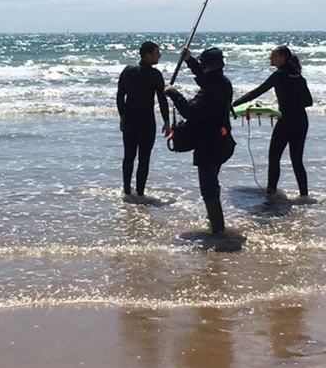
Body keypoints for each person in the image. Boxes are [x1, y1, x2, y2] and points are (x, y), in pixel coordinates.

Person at [165, 47, 235, 234]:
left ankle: (218, 231)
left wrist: (174, 93)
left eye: (203, 64)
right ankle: (215, 222)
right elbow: (205, 77)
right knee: (212, 182)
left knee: (208, 189)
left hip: (210, 145)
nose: (202, 68)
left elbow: (190, 112)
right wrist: (189, 60)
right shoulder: (223, 82)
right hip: (223, 141)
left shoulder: (210, 90)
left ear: (209, 65)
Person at [231, 45, 313, 197]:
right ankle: (304, 195)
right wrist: (291, 103)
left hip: (286, 121)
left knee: (274, 157)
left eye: (273, 56)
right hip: (301, 121)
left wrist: (233, 105)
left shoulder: (279, 75)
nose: (270, 58)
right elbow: (309, 102)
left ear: (283, 57)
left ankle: (271, 193)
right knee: (297, 161)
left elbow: (257, 91)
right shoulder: (300, 77)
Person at [116, 41, 171, 199]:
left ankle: (126, 191)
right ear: (147, 55)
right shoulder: (155, 74)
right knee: (144, 158)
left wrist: (122, 116)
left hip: (130, 120)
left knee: (129, 156)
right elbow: (162, 99)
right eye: (156, 53)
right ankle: (140, 193)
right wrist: (166, 123)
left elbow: (120, 95)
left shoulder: (128, 70)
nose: (159, 55)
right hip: (146, 121)